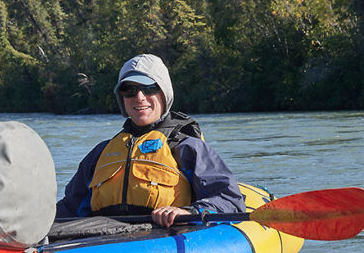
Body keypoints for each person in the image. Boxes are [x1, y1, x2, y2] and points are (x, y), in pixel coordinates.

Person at [56, 54, 245, 227]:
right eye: (129, 90)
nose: (139, 97)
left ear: (164, 93)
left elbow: (229, 199)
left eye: (149, 89)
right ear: (122, 98)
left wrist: (188, 211)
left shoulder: (187, 147)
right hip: (103, 241)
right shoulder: (101, 153)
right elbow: (69, 208)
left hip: (163, 239)